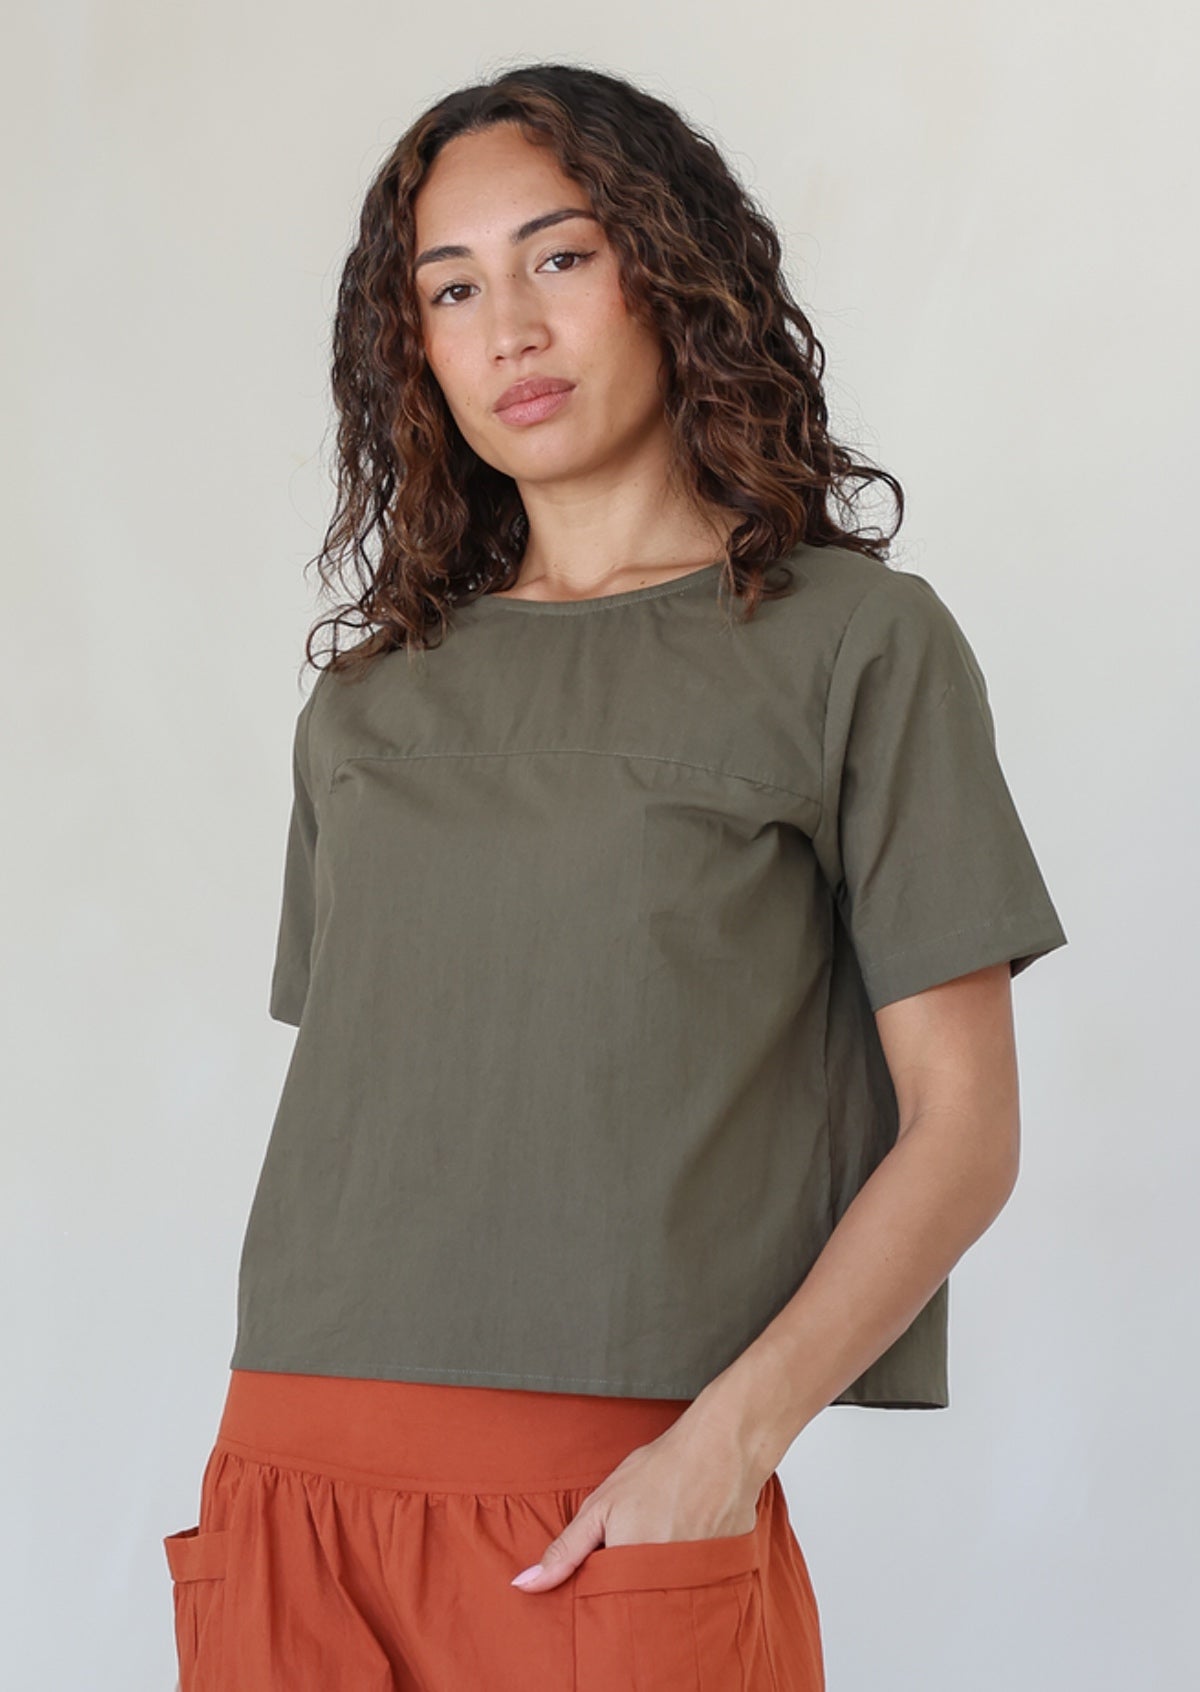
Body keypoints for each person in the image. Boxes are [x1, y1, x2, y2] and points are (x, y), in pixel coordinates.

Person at [162, 61, 1068, 1692]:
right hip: (295, 1482)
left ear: (670, 271)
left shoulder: (854, 647)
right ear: (412, 347)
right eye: (452, 288)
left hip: (615, 1509)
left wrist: (725, 1448)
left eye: (560, 257)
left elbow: (964, 1129)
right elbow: (392, 1110)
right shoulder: (368, 701)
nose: (509, 328)